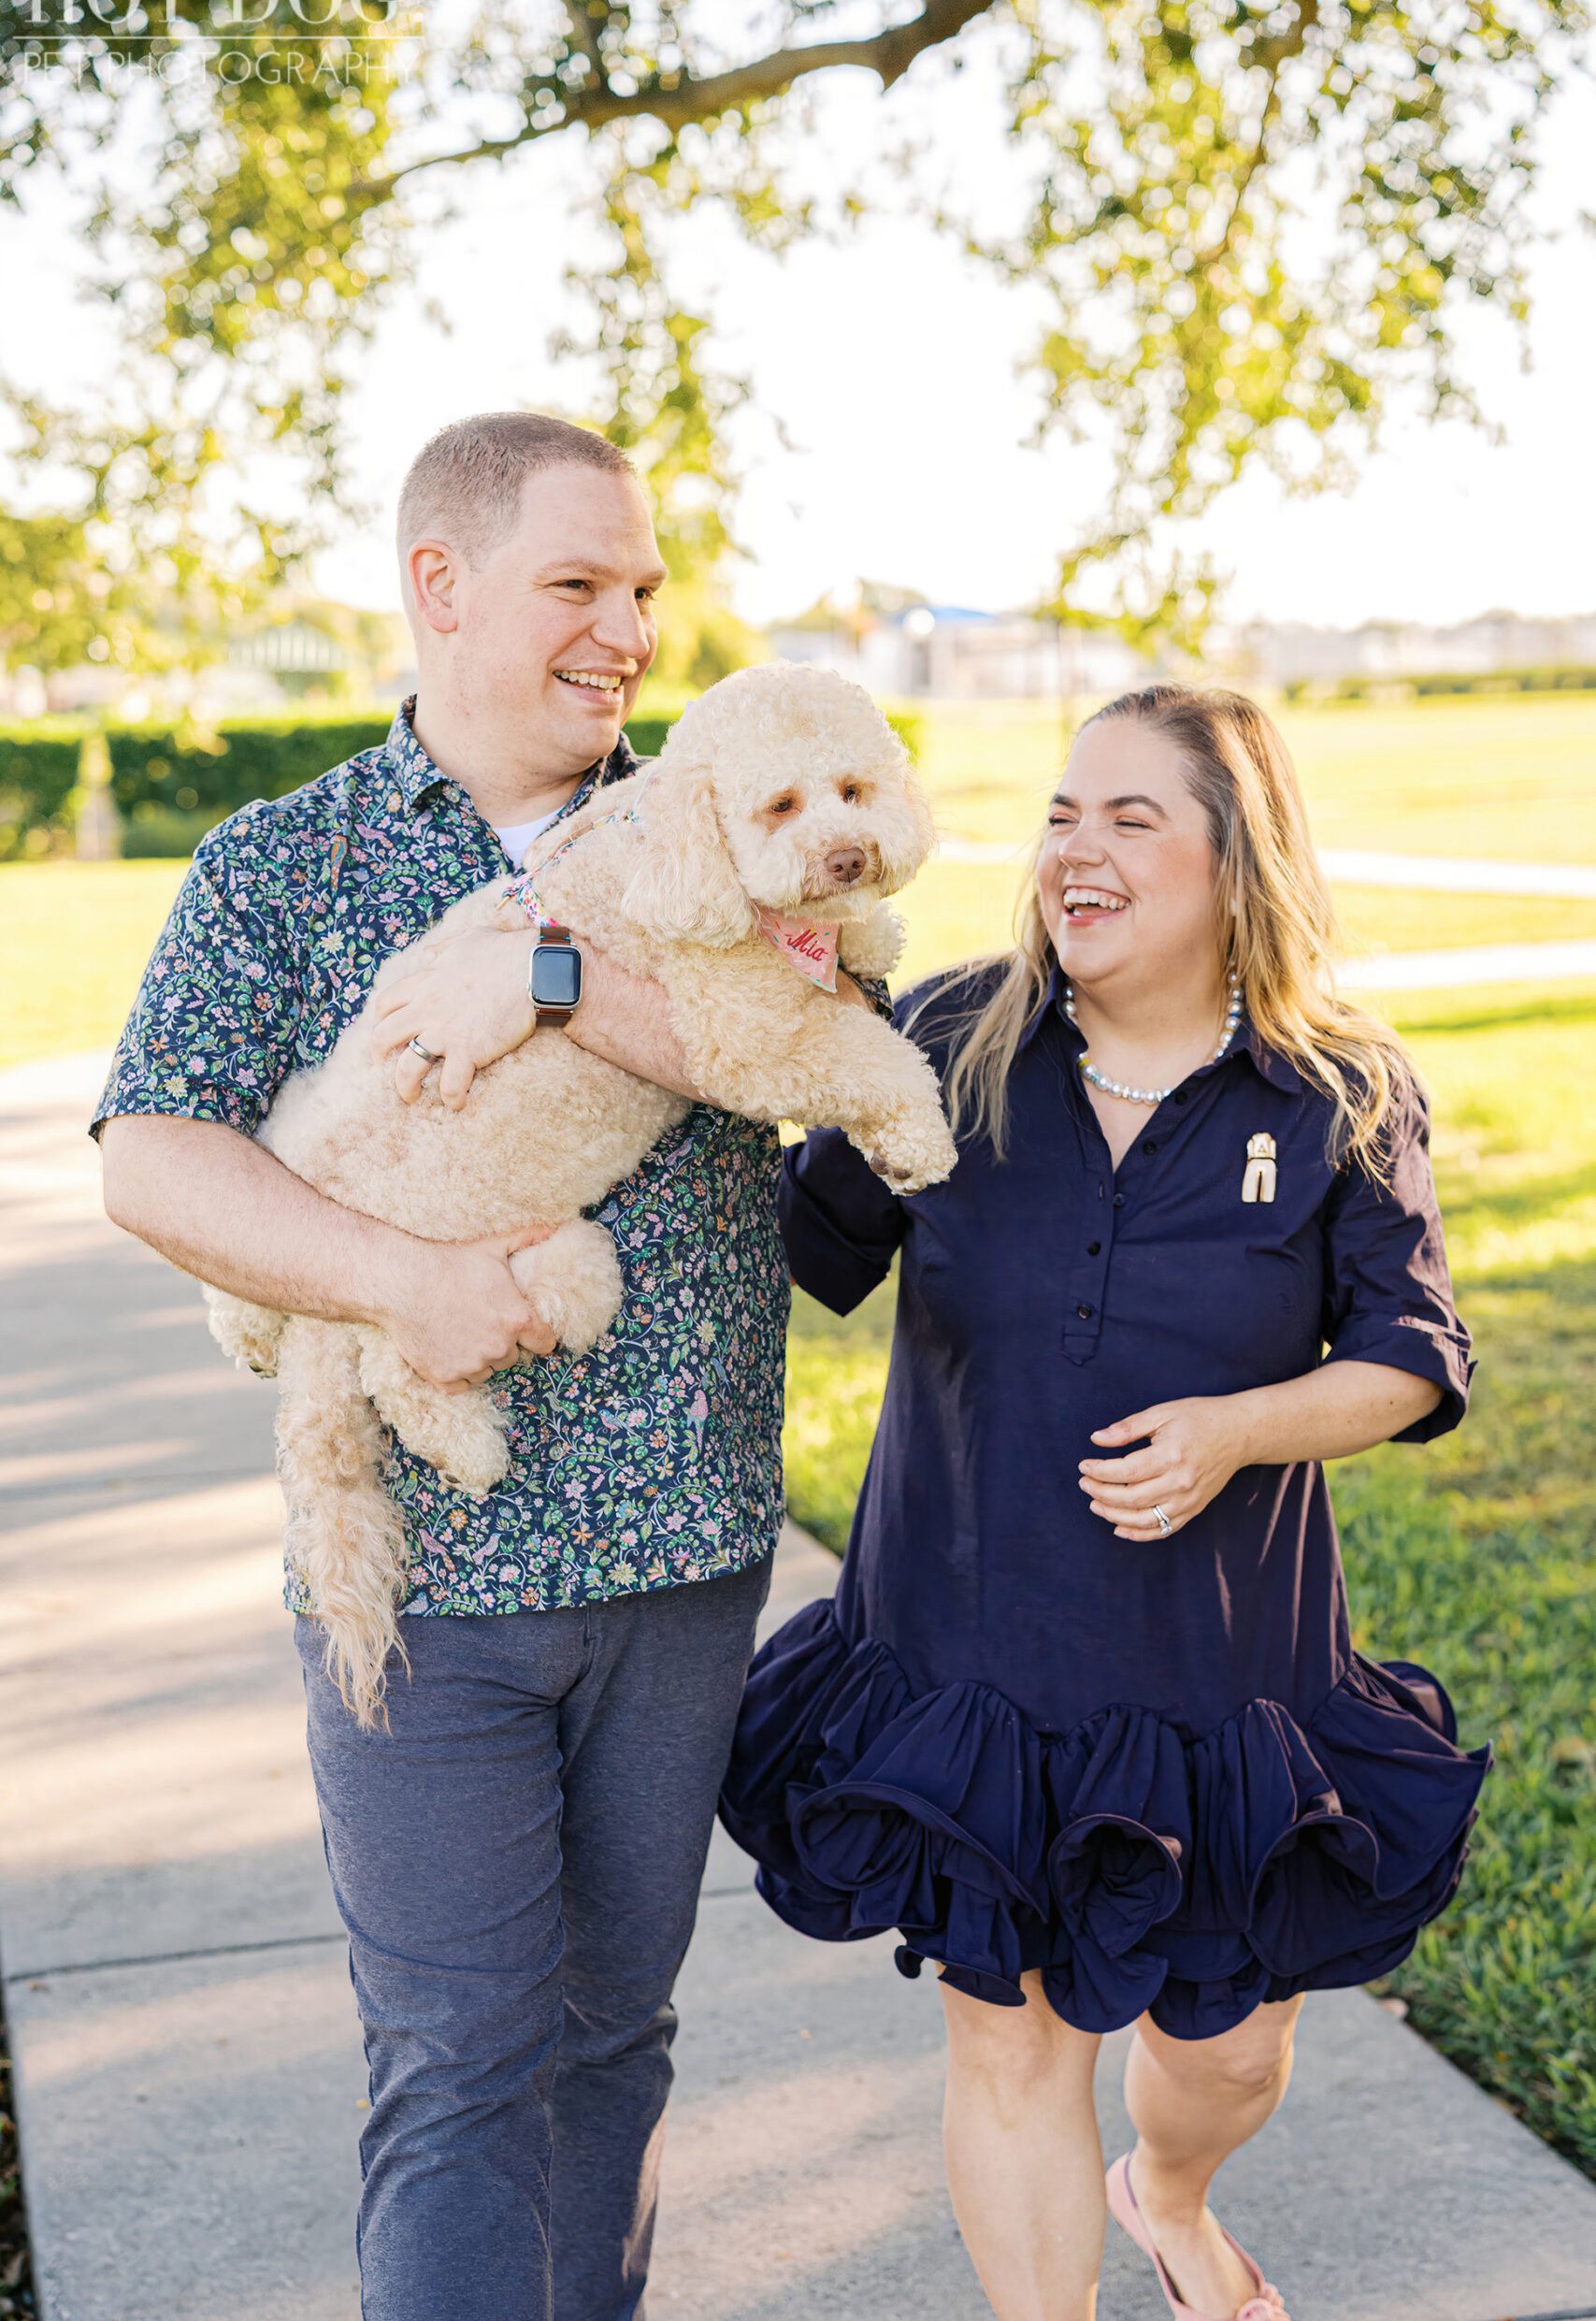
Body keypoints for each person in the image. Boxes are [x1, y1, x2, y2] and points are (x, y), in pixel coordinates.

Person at [95, 411, 875, 2321]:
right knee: (456, 2068)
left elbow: (820, 1052)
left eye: (643, 589)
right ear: (439, 585)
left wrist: (545, 975)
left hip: (686, 1564)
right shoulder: (282, 865)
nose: (626, 629)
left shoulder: (733, 831)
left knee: (615, 2043)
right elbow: (149, 1147)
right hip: (424, 1588)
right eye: (578, 584)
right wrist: (401, 1281)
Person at [720, 684, 1488, 2321]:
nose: (1080, 849)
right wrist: (804, 1043)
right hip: (974, 1661)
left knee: (1226, 2045)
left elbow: (1415, 1359)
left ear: (1236, 862)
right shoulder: (950, 1039)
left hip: (1222, 1683)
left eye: (1133, 819)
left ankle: (1174, 2196)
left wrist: (1238, 1427)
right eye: (1066, 814)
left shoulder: (1336, 1091)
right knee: (1011, 2042)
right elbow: (810, 1251)